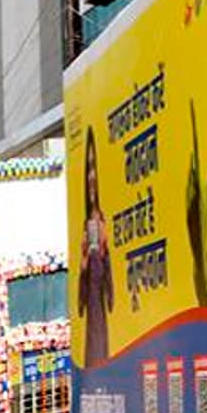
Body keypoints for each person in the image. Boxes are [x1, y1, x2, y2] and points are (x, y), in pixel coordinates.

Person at [78, 127, 114, 368]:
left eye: (94, 169)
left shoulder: (102, 221)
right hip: (91, 301)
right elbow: (82, 279)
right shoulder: (84, 225)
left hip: (99, 302)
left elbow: (108, 271)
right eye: (87, 168)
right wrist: (83, 263)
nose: (91, 178)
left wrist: (102, 250)